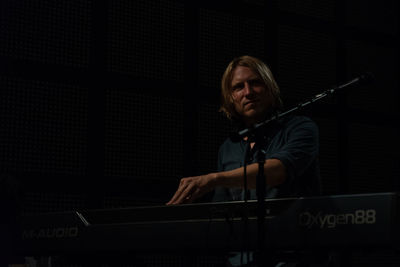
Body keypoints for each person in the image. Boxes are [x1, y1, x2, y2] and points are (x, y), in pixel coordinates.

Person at [167, 55, 320, 205]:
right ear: (231, 98)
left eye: (255, 83)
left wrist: (214, 179)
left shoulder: (300, 128)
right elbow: (222, 207)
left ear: (270, 89)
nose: (248, 92)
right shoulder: (228, 148)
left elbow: (279, 171)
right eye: (239, 87)